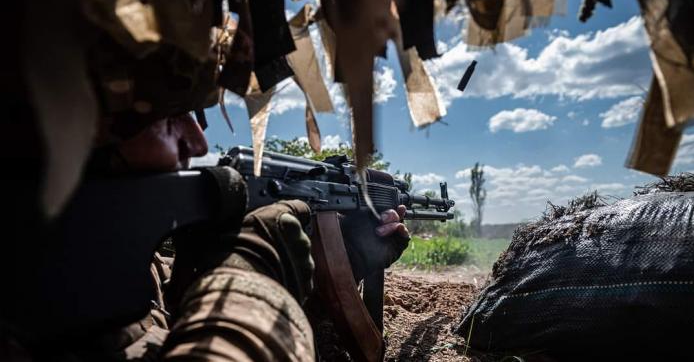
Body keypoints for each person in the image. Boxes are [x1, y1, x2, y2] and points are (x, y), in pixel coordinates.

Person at [9, 111, 409, 361]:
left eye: (195, 113)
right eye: (163, 114)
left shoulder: (119, 266)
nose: (198, 141)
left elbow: (181, 328)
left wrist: (340, 261)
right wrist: (250, 280)